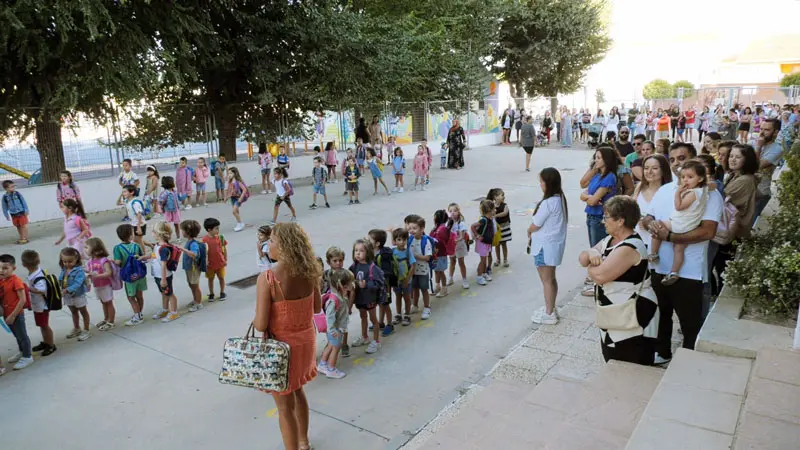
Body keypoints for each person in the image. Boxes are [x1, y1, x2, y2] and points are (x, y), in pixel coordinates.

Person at [641, 142, 722, 364]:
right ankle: (662, 352)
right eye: (673, 159)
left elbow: (708, 231)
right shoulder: (665, 190)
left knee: (689, 323)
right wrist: (651, 225)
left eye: (682, 158)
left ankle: (687, 362)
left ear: (694, 159)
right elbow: (649, 216)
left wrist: (670, 237)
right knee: (661, 316)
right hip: (659, 266)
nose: (677, 163)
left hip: (689, 272)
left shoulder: (709, 195)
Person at [253, 223, 321, 450]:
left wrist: (256, 318)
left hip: (280, 349)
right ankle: (304, 441)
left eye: (271, 241)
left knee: (284, 406)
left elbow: (261, 324)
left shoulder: (268, 278)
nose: (267, 245)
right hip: (305, 341)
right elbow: (316, 308)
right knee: (298, 389)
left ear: (283, 247)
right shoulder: (309, 270)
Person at [579, 196, 659, 365]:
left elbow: (601, 275)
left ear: (620, 221)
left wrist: (591, 267)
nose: (603, 221)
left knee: (630, 365)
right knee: (613, 360)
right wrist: (591, 253)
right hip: (614, 314)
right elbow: (582, 258)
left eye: (606, 217)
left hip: (632, 315)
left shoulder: (630, 247)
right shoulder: (610, 240)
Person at [647, 161, 709, 286]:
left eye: (690, 177)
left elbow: (679, 206)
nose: (685, 180)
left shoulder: (692, 193)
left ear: (701, 178)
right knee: (679, 249)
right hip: (690, 227)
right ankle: (674, 272)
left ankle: (653, 253)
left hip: (680, 224)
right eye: (683, 177)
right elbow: (711, 186)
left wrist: (678, 193)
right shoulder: (704, 190)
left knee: (657, 226)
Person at [710, 144, 758, 297]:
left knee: (723, 266)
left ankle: (719, 297)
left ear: (747, 160)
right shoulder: (734, 175)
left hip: (734, 230)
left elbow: (722, 197)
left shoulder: (744, 180)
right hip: (731, 229)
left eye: (738, 157)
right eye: (731, 156)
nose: (732, 159)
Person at [528, 168, 568, 325]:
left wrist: (528, 230)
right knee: (551, 279)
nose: (540, 184)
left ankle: (549, 313)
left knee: (546, 280)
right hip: (553, 246)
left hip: (544, 247)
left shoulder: (548, 203)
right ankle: (550, 307)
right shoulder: (560, 199)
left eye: (542, 181)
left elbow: (536, 224)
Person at [349, 239, 384, 354]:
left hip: (370, 299)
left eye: (361, 251)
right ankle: (364, 337)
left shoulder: (372, 267)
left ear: (368, 252)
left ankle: (376, 341)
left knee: (373, 319)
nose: (358, 253)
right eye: (356, 250)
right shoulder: (354, 266)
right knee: (362, 316)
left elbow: (379, 283)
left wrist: (367, 285)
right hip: (360, 298)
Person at [0, 253, 35, 370]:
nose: (2, 271)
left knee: (22, 335)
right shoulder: (2, 280)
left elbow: (22, 299)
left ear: (13, 268)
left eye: (5, 268)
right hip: (6, 314)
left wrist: (13, 315)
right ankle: (22, 351)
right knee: (17, 335)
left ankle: (27, 356)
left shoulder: (16, 281)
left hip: (16, 314)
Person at [143, 221, 180, 323]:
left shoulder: (164, 249)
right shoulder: (157, 246)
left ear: (159, 234)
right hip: (158, 275)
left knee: (170, 294)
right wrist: (143, 257)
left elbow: (163, 265)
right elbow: (154, 256)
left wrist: (163, 280)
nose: (152, 234)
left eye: (153, 232)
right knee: (164, 293)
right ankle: (165, 309)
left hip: (164, 276)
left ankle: (174, 312)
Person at [318, 268, 352, 379]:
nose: (351, 285)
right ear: (341, 286)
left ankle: (322, 365)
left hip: (334, 329)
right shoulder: (334, 300)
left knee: (330, 346)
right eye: (349, 284)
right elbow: (330, 317)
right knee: (336, 348)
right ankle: (331, 369)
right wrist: (332, 330)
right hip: (335, 330)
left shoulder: (339, 296)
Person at [21, 250, 57, 357]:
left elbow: (42, 290)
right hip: (38, 305)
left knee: (45, 325)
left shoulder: (38, 277)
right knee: (42, 325)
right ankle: (46, 342)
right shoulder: (35, 272)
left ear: (24, 264)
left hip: (42, 305)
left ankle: (50, 344)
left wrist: (29, 289)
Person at [114, 224, 147, 326]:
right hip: (140, 275)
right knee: (140, 295)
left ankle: (137, 316)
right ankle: (139, 313)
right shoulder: (136, 245)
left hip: (129, 277)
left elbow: (118, 262)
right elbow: (143, 256)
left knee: (131, 297)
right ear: (131, 235)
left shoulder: (118, 248)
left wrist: (112, 262)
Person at [753, 118, 784, 224]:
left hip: (760, 192)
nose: (762, 132)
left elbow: (757, 167)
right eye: (761, 129)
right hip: (747, 189)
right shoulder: (754, 142)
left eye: (766, 130)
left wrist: (758, 147)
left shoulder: (777, 149)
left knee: (747, 227)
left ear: (775, 132)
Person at [59, 247, 92, 340]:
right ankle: (77, 328)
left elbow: (78, 283)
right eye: (64, 261)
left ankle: (86, 330)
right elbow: (60, 279)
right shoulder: (64, 270)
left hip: (78, 295)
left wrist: (67, 290)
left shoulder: (79, 271)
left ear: (76, 259)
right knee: (73, 312)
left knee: (83, 311)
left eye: (70, 261)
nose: (67, 264)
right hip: (67, 295)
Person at [85, 237, 118, 330]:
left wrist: (96, 276)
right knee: (103, 302)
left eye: (86, 247)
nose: (85, 250)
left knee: (108, 302)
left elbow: (109, 273)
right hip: (97, 285)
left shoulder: (103, 260)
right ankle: (106, 318)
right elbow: (89, 271)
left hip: (105, 285)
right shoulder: (90, 261)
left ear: (95, 249)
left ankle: (111, 321)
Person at [407, 216, 433, 319]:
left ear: (422, 229)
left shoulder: (425, 241)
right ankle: (415, 305)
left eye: (414, 228)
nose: (412, 231)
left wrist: (415, 256)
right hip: (413, 270)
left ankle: (427, 307)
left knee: (424, 289)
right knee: (414, 288)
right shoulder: (410, 239)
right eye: (410, 228)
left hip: (423, 271)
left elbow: (427, 257)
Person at [390, 228, 415, 327]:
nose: (402, 242)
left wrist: (408, 279)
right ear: (395, 241)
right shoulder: (392, 252)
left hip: (406, 280)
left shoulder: (408, 252)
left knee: (407, 297)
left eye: (404, 239)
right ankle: (399, 314)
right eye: (399, 240)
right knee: (398, 296)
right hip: (397, 280)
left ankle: (407, 315)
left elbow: (413, 265)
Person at [181, 220, 205, 313]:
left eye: (182, 230)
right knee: (191, 284)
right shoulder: (189, 241)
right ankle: (195, 300)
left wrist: (184, 250)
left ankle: (198, 303)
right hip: (189, 268)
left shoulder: (193, 243)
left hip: (193, 268)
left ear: (188, 232)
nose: (181, 232)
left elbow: (195, 254)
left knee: (195, 285)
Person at [470, 200, 495, 286]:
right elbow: (473, 226)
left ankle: (484, 273)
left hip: (487, 242)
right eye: (494, 209)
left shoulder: (490, 219)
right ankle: (479, 276)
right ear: (489, 210)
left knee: (485, 258)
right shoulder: (483, 220)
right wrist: (477, 235)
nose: (495, 210)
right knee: (483, 260)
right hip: (482, 243)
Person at [203, 218, 228, 302]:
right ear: (209, 229)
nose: (218, 230)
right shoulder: (204, 240)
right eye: (216, 228)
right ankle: (211, 293)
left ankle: (222, 292)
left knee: (221, 277)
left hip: (220, 263)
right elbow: (204, 253)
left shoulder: (220, 237)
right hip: (210, 264)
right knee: (210, 279)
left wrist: (225, 259)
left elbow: (224, 249)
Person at [446, 203, 470, 289]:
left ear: (459, 212)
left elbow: (462, 236)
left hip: (459, 246)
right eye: (450, 211)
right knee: (452, 262)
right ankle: (450, 278)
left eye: (455, 211)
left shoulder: (461, 223)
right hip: (452, 246)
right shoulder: (447, 223)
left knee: (461, 262)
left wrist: (456, 240)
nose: (452, 213)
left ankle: (464, 279)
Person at [429, 210, 451, 298]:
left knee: (441, 271)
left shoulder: (442, 229)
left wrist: (434, 242)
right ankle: (438, 286)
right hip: (435, 254)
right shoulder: (436, 228)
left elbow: (442, 241)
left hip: (440, 253)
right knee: (436, 270)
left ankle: (444, 288)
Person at [487, 188, 511, 267]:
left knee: (504, 244)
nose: (503, 197)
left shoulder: (505, 205)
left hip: (504, 228)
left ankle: (505, 259)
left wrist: (496, 215)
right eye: (502, 195)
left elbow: (505, 212)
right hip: (496, 228)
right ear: (495, 197)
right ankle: (498, 259)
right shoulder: (493, 206)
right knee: (497, 244)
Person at [2, 180, 30, 244]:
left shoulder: (17, 194)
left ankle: (25, 238)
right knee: (18, 226)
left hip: (21, 212)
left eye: (14, 186)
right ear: (6, 188)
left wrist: (26, 210)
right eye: (11, 187)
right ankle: (22, 237)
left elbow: (23, 202)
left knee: (23, 225)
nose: (13, 188)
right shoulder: (5, 197)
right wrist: (6, 215)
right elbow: (4, 207)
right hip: (13, 214)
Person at [227, 166, 251, 231]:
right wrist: (226, 197)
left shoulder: (238, 181)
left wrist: (241, 198)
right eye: (228, 173)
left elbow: (244, 190)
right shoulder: (230, 181)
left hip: (238, 198)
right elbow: (229, 190)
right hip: (233, 198)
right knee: (236, 211)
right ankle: (239, 223)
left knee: (234, 211)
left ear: (235, 173)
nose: (229, 175)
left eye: (231, 173)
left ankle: (241, 223)